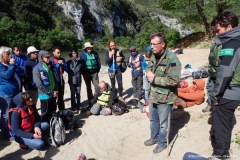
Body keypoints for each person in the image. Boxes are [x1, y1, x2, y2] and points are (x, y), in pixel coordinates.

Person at [209, 11, 240, 160]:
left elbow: (225, 73)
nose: (216, 34)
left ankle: (221, 154)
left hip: (228, 92)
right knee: (226, 123)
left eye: (218, 30)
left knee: (220, 127)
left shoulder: (232, 43)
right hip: (236, 91)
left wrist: (215, 95)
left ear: (229, 27)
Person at [144, 32, 181, 154]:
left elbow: (174, 80)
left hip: (165, 97)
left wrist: (155, 79)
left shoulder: (172, 59)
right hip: (154, 94)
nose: (152, 47)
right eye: (151, 44)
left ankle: (162, 143)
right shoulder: (154, 55)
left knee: (164, 123)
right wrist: (148, 72)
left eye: (154, 44)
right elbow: (149, 66)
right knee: (153, 120)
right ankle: (154, 138)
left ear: (163, 44)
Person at [0, 46, 21, 141]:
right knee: (5, 114)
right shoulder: (0, 66)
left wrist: (15, 65)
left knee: (14, 113)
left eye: (10, 54)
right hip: (6, 94)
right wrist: (12, 65)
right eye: (7, 54)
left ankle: (14, 130)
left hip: (15, 92)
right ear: (1, 55)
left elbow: (19, 72)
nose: (10, 56)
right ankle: (6, 134)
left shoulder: (9, 65)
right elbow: (7, 76)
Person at [202, 17, 222, 113]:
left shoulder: (229, 44)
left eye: (218, 31)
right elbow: (211, 58)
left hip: (221, 74)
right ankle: (210, 104)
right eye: (215, 31)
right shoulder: (214, 45)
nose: (216, 34)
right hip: (212, 72)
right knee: (210, 89)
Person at [33, 50, 58, 123]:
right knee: (45, 114)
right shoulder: (36, 69)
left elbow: (53, 80)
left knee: (53, 112)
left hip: (52, 94)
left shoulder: (47, 67)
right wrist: (50, 92)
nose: (48, 59)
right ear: (41, 58)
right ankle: (45, 130)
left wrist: (55, 90)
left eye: (49, 57)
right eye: (46, 57)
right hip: (45, 95)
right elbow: (39, 85)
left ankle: (53, 127)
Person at [80, 42, 101, 106]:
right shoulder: (82, 55)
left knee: (97, 86)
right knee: (88, 87)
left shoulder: (95, 53)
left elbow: (98, 62)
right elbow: (81, 65)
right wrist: (82, 73)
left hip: (94, 72)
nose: (89, 48)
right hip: (86, 73)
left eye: (90, 47)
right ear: (85, 48)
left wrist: (98, 69)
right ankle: (90, 99)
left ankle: (97, 97)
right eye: (87, 47)